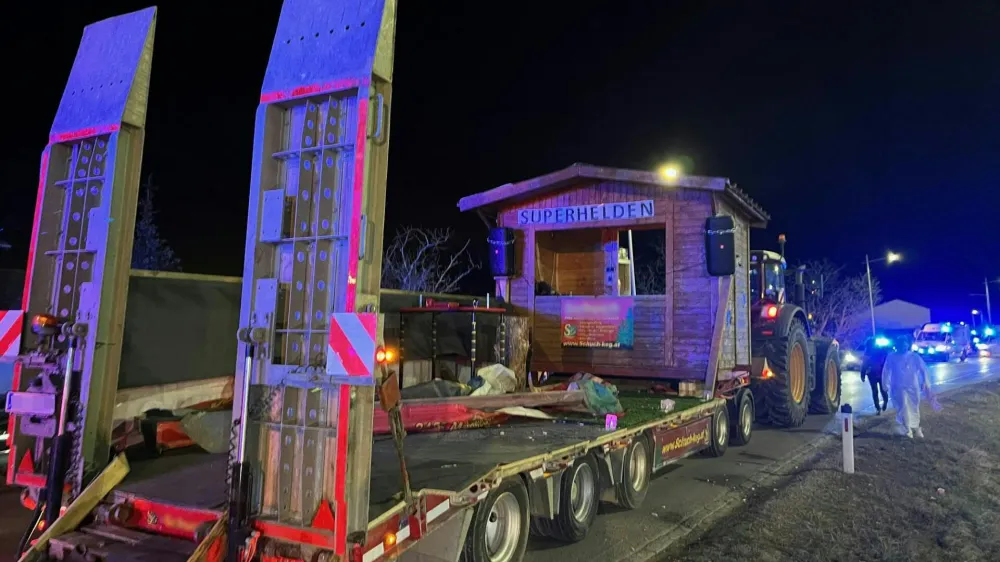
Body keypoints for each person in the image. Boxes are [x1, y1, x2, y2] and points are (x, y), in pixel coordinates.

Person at [882, 336, 933, 438]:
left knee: (913, 406)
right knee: (903, 406)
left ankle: (915, 427)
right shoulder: (891, 357)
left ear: (907, 345)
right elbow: (886, 371)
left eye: (904, 344)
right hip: (898, 386)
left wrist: (925, 382)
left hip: (912, 386)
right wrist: (885, 384)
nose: (903, 346)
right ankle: (907, 429)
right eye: (901, 344)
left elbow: (923, 370)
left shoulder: (914, 357)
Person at [860, 337, 890, 414]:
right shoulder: (880, 350)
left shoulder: (870, 352)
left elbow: (864, 364)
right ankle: (881, 405)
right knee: (881, 390)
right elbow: (864, 364)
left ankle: (879, 407)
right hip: (877, 373)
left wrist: (862, 374)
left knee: (876, 391)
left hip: (874, 373)